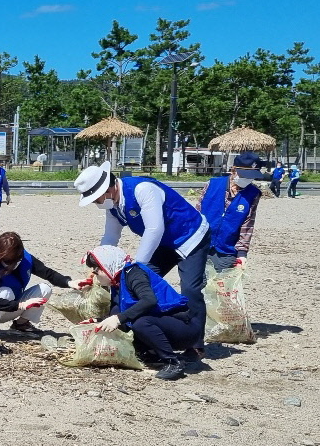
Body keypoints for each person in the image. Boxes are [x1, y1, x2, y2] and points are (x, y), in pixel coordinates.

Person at [73, 160, 209, 358]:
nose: (96, 203)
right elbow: (111, 237)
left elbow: (154, 230)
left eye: (96, 198)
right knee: (132, 285)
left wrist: (137, 266)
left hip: (190, 236)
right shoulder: (113, 206)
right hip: (163, 244)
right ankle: (139, 335)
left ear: (109, 189)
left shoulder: (143, 189)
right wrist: (98, 261)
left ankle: (196, 344)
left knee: (190, 288)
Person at [83, 245, 196, 381]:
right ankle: (150, 353)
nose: (94, 273)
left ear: (107, 265)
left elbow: (149, 301)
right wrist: (99, 321)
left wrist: (118, 319)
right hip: (164, 323)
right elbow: (119, 314)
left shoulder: (134, 273)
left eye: (97, 269)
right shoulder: (117, 282)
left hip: (184, 326)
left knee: (140, 323)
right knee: (117, 311)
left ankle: (173, 362)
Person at [0, 232, 81, 334]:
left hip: (11, 306)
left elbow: (48, 273)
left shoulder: (25, 258)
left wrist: (70, 283)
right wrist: (22, 305)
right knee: (6, 292)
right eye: (5, 260)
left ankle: (21, 324)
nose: (9, 264)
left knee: (45, 288)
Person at [193, 151, 263, 272]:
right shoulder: (212, 184)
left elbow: (248, 225)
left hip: (227, 251)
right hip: (200, 246)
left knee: (222, 289)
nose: (248, 179)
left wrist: (242, 254)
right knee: (195, 287)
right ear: (233, 170)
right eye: (244, 175)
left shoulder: (253, 194)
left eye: (251, 176)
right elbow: (196, 214)